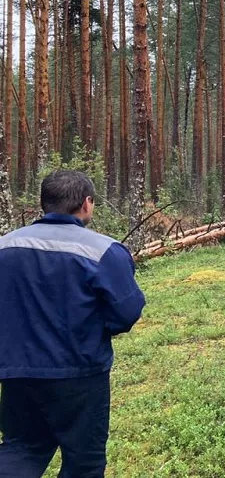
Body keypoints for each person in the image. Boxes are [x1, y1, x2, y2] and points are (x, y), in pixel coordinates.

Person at [0, 170, 145, 478]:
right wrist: (95, 330)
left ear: (44, 204)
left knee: (20, 450)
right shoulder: (103, 250)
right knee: (84, 463)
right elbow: (127, 311)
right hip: (80, 374)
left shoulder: (5, 247)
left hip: (16, 373)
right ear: (87, 203)